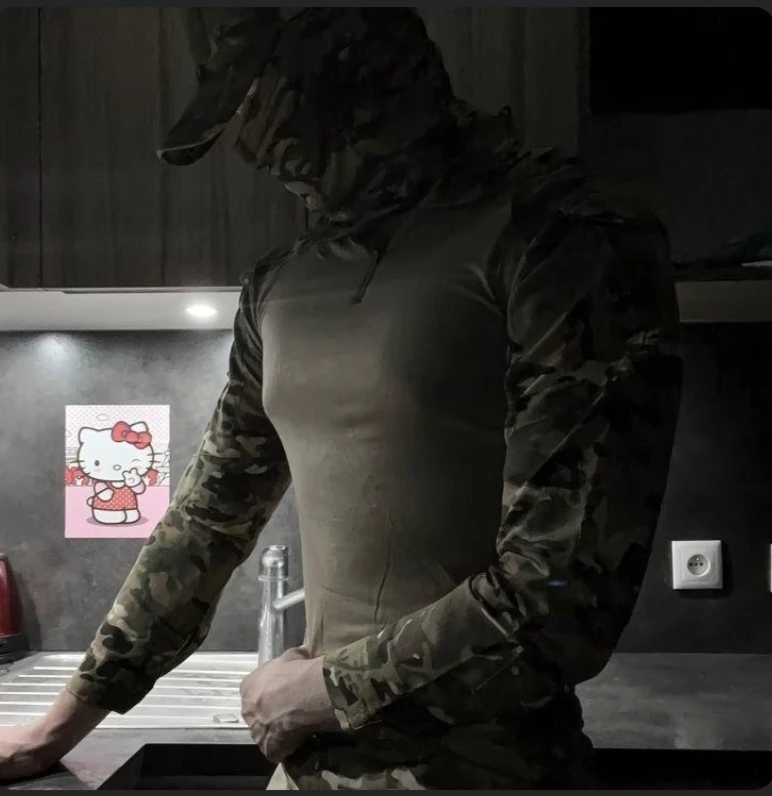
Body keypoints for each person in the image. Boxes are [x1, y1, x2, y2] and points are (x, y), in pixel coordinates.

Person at [0, 8, 682, 790]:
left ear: (372, 95)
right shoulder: (279, 285)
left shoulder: (568, 239)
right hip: (308, 771)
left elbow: (565, 594)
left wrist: (324, 691)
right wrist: (60, 725)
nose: (260, 159)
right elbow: (206, 520)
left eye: (287, 127)